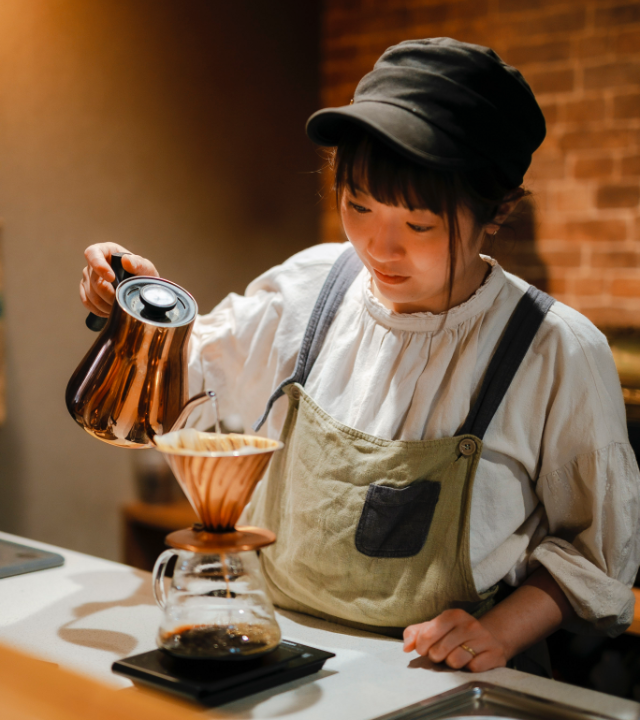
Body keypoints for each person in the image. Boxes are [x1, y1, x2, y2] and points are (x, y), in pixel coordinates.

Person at [79, 38, 640, 677]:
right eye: (359, 206)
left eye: (419, 226)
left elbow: (598, 554)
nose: (380, 247)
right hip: (281, 657)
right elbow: (168, 410)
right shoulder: (308, 289)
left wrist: (500, 632)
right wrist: (137, 311)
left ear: (498, 212)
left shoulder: (555, 349)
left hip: (443, 677)